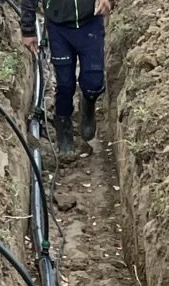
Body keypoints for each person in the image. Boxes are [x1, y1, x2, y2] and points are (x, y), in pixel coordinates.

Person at [20, 0, 111, 164]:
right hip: (58, 27)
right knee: (64, 84)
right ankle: (64, 128)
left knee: (94, 83)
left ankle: (88, 104)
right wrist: (28, 30)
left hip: (90, 22)